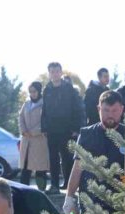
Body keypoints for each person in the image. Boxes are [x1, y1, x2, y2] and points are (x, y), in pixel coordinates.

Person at [62, 90, 125, 214]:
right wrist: (69, 197)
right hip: (90, 203)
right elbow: (77, 169)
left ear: (122, 109)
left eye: (114, 110)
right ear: (99, 109)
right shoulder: (87, 135)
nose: (110, 115)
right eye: (106, 110)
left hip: (120, 205)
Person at [41, 62, 84, 193]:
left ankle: (69, 184)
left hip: (67, 130)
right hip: (52, 130)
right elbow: (44, 110)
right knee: (53, 158)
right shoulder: (47, 90)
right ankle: (54, 185)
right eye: (52, 72)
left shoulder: (69, 89)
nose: (54, 74)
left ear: (61, 72)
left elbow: (78, 109)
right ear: (49, 74)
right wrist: (44, 128)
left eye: (57, 71)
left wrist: (76, 129)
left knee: (67, 158)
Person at [18, 82, 49, 191]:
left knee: (40, 169)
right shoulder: (26, 103)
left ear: (39, 91)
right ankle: (23, 190)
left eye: (34, 91)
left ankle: (42, 191)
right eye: (30, 92)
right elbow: (20, 117)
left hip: (39, 141)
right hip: (26, 140)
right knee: (25, 168)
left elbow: (46, 120)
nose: (32, 94)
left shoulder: (45, 103)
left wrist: (34, 132)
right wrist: (23, 130)